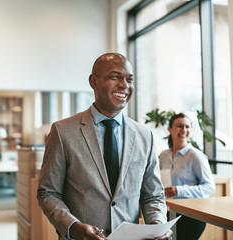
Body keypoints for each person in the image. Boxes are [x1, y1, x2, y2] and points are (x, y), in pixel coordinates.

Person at [37, 53, 172, 240]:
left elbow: (153, 195)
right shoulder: (62, 131)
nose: (124, 85)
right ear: (94, 82)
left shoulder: (145, 135)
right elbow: (48, 193)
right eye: (115, 77)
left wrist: (157, 224)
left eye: (129, 79)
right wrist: (73, 226)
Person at [159, 113, 215, 240]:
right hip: (167, 213)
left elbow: (209, 187)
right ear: (169, 129)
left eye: (187, 127)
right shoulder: (163, 155)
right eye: (179, 126)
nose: (184, 130)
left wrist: (179, 190)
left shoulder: (196, 156)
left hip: (191, 216)